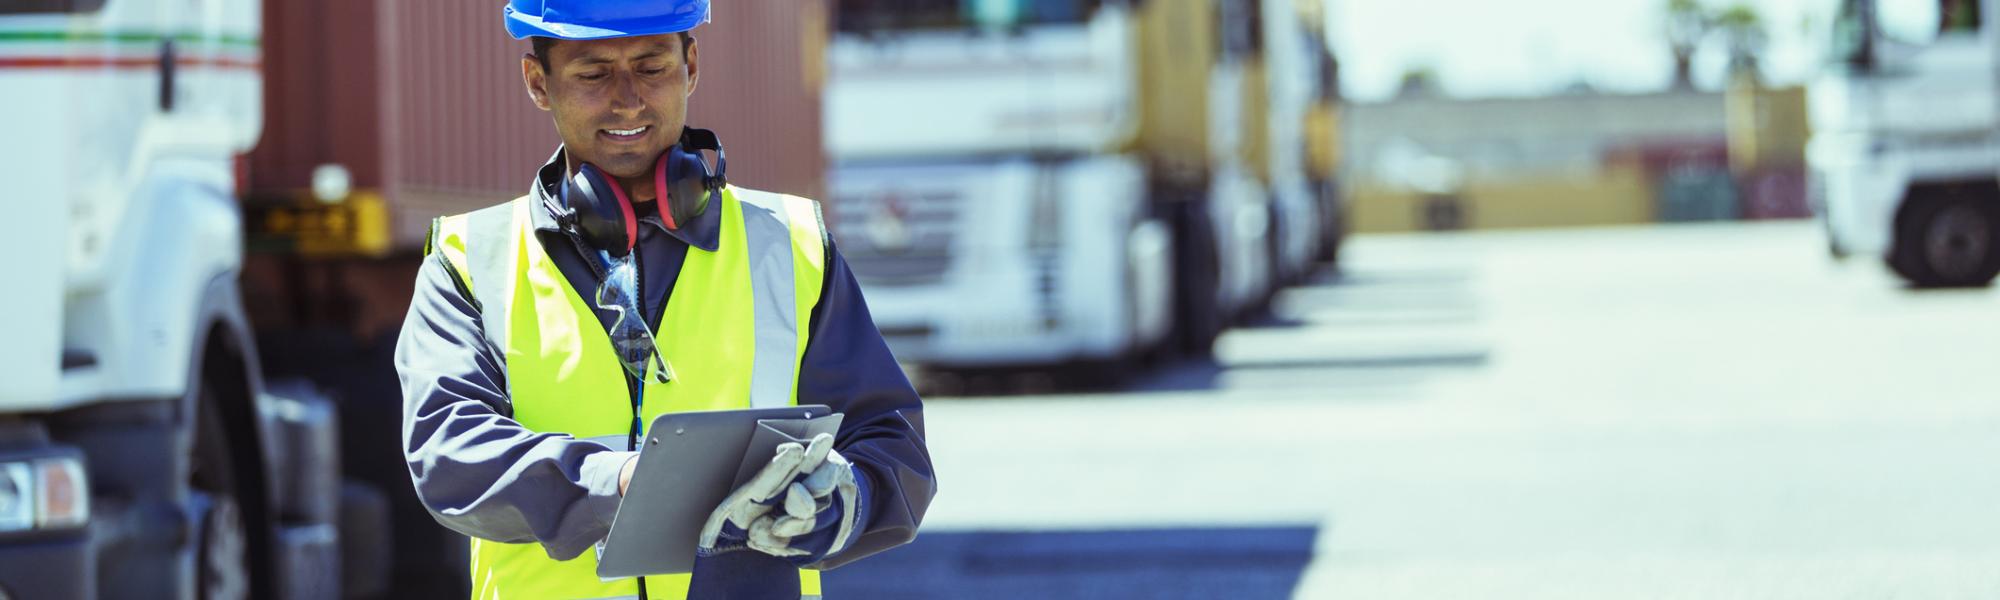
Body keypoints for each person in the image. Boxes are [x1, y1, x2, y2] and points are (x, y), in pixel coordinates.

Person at [394, 1, 936, 597]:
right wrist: (624, 484)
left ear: (691, 65)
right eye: (593, 73)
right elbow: (449, 454)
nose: (628, 99)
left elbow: (892, 446)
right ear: (537, 83)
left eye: (651, 67)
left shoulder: (791, 243)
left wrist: (836, 506)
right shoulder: (471, 259)